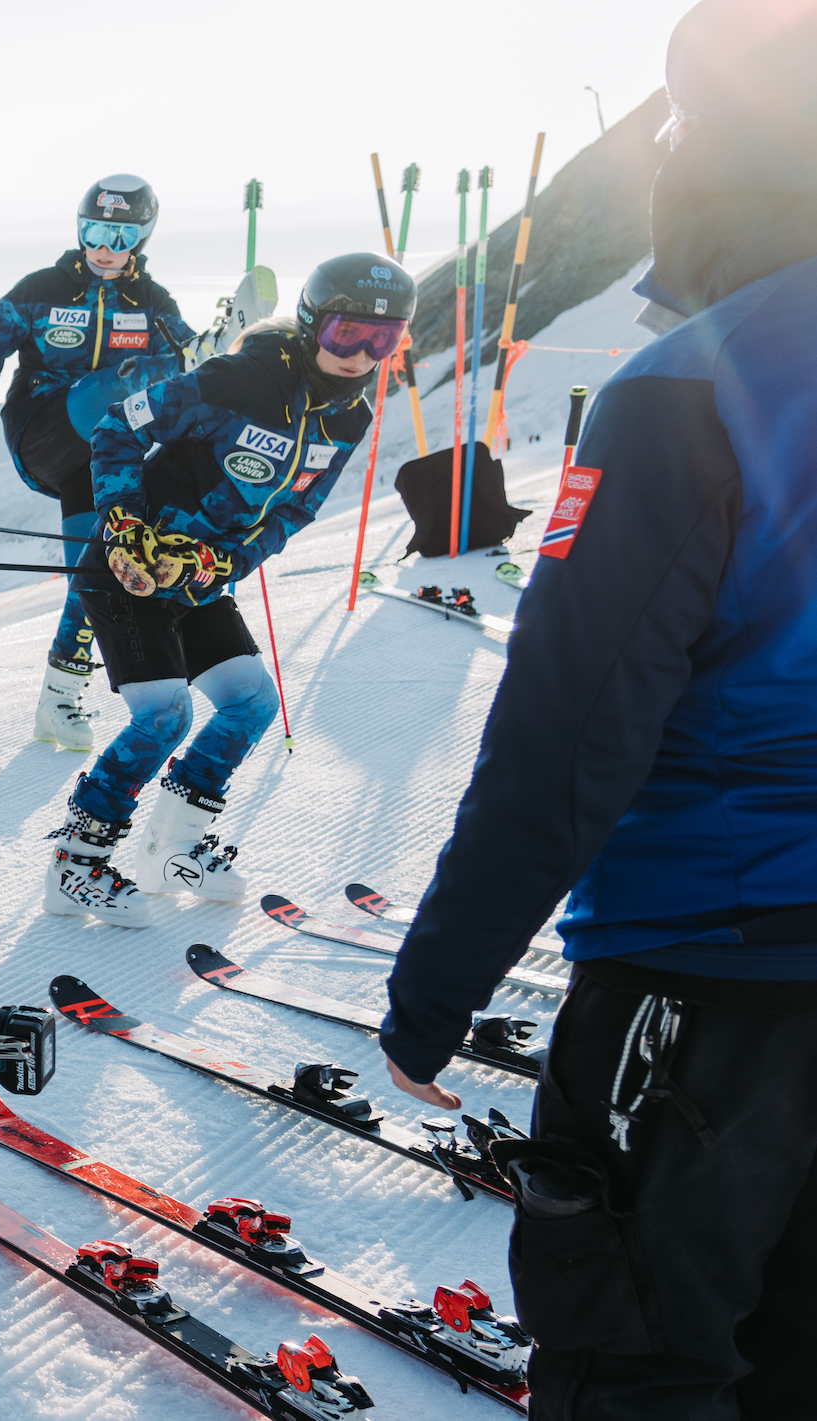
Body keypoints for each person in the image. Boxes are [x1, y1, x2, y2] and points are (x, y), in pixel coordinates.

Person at [382, 2, 817, 1411]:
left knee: (641, 1353)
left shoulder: (683, 389)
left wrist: (437, 988)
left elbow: (572, 731)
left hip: (712, 972)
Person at [41, 254, 412, 925]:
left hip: (195, 577)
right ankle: (74, 863)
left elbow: (294, 511)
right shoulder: (239, 380)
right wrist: (122, 523)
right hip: (127, 567)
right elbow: (118, 426)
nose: (360, 354)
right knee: (163, 717)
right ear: (309, 323)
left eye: (380, 340)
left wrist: (221, 565)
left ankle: (170, 848)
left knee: (248, 704)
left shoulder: (348, 416)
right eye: (344, 334)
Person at [0, 176, 199, 754]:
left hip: (104, 454)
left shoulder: (154, 304)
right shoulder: (42, 289)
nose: (105, 245)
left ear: (142, 238)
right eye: (94, 230)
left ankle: (60, 698)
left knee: (94, 570)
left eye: (121, 234)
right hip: (46, 429)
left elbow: (189, 368)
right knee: (117, 387)